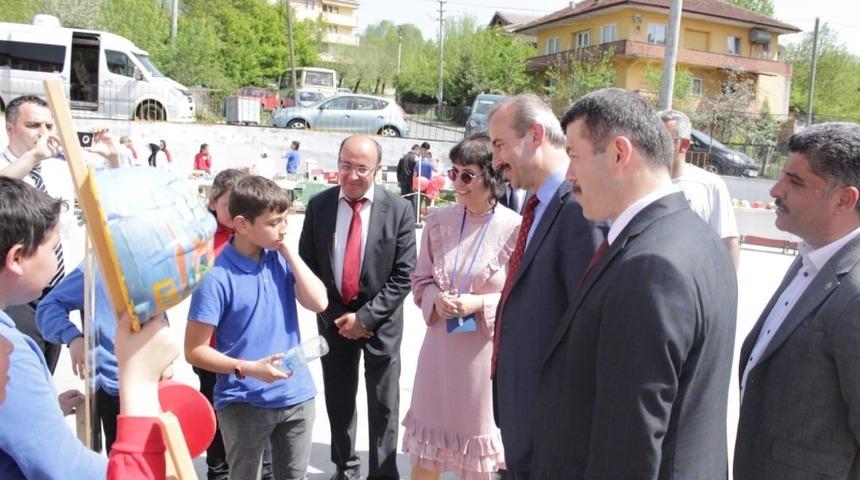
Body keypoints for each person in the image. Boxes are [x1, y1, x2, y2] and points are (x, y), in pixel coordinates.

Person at [529, 88, 737, 478]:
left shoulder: (651, 267)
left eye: (573, 156)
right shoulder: (693, 234)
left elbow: (630, 443)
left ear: (620, 154)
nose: (569, 175)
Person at [0, 176, 177, 479]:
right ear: (17, 257)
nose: (57, 261)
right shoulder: (9, 356)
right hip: (114, 387)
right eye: (53, 248)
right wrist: (139, 379)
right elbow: (69, 470)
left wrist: (45, 415)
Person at [733, 123, 860, 480]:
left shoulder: (854, 294)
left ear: (844, 199)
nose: (776, 190)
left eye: (796, 182)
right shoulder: (809, 260)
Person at [485, 94, 601, 479]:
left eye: (500, 145)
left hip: (551, 425)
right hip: (524, 415)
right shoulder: (536, 203)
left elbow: (585, 325)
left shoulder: (579, 207)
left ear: (535, 135)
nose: (495, 159)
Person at [185, 175, 328, 480]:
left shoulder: (279, 258)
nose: (284, 228)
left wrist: (289, 252)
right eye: (274, 222)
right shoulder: (215, 276)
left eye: (285, 219)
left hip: (296, 396)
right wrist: (247, 368)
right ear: (242, 224)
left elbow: (319, 303)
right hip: (244, 401)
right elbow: (194, 351)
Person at [299, 135, 417, 480]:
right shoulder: (319, 206)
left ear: (377, 170)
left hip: (381, 322)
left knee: (384, 404)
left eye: (361, 168)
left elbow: (403, 274)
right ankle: (345, 467)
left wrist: (365, 317)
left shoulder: (398, 209)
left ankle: (383, 472)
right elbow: (308, 270)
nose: (352, 175)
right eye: (345, 166)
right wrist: (337, 317)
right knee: (338, 398)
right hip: (333, 320)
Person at [402, 134, 519, 480]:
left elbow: (523, 298)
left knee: (476, 461)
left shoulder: (515, 227)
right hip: (438, 353)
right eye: (453, 173)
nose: (457, 182)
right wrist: (436, 298)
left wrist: (479, 303)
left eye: (467, 175)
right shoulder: (438, 220)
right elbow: (420, 279)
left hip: (481, 358)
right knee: (426, 457)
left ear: (492, 176)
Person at [0, 95, 119, 373]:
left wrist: (112, 157)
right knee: (18, 368)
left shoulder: (59, 168)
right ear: (10, 128)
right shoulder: (12, 165)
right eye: (33, 125)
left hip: (56, 286)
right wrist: (31, 158)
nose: (43, 134)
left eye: (49, 126)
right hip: (15, 287)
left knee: (44, 369)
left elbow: (111, 201)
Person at [36, 264, 121, 454]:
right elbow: (49, 306)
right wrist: (72, 336)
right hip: (113, 388)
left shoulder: (151, 255)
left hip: (151, 382)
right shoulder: (94, 266)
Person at [659, 109, 741, 269]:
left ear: (683, 145)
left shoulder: (709, 185)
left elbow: (728, 242)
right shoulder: (641, 185)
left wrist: (727, 290)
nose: (654, 145)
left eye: (662, 140)